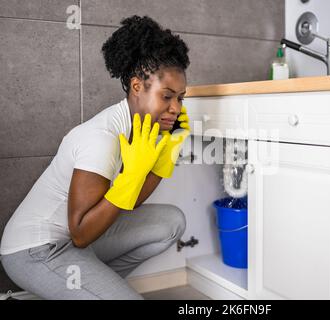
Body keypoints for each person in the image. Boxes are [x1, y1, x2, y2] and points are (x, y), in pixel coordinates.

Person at [0, 15, 191, 300]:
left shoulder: (140, 129)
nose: (175, 108)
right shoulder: (101, 138)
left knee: (170, 222)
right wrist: (131, 176)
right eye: (167, 96)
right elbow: (81, 234)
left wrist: (165, 155)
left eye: (181, 98)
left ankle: (80, 290)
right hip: (37, 250)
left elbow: (130, 202)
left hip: (75, 241)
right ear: (137, 87)